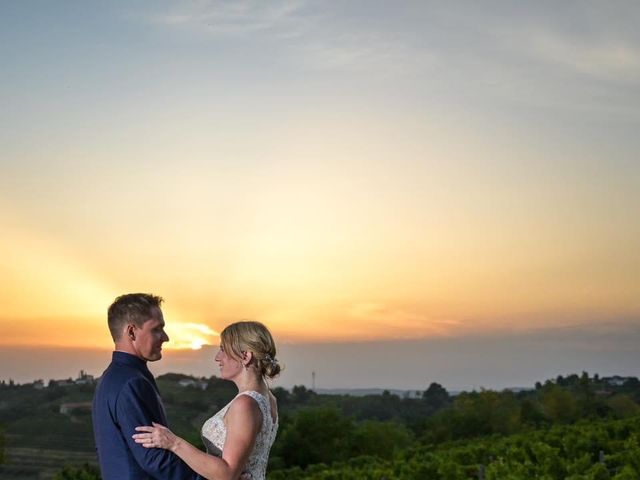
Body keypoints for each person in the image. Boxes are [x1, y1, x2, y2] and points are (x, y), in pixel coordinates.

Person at [133, 321, 280, 480]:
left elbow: (227, 473)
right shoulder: (269, 399)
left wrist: (173, 443)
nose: (218, 357)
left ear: (245, 356)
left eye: (223, 349)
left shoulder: (245, 404)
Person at [92, 293, 201, 480]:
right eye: (157, 329)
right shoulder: (132, 383)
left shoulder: (110, 379)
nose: (165, 337)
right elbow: (154, 460)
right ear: (132, 332)